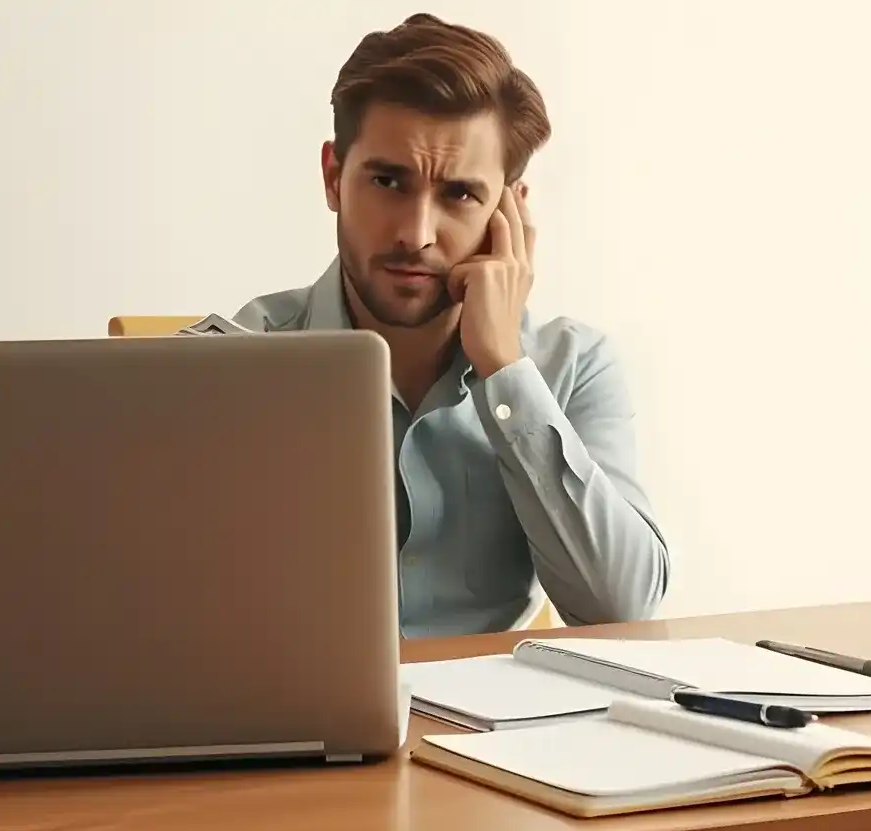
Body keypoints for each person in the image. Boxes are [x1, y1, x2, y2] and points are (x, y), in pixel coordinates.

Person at [232, 13, 669, 637]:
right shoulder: (232, 364)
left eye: (460, 194)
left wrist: (504, 367)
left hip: (496, 702)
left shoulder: (573, 365)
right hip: (298, 700)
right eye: (388, 181)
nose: (416, 234)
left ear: (507, 211)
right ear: (333, 178)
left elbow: (619, 610)